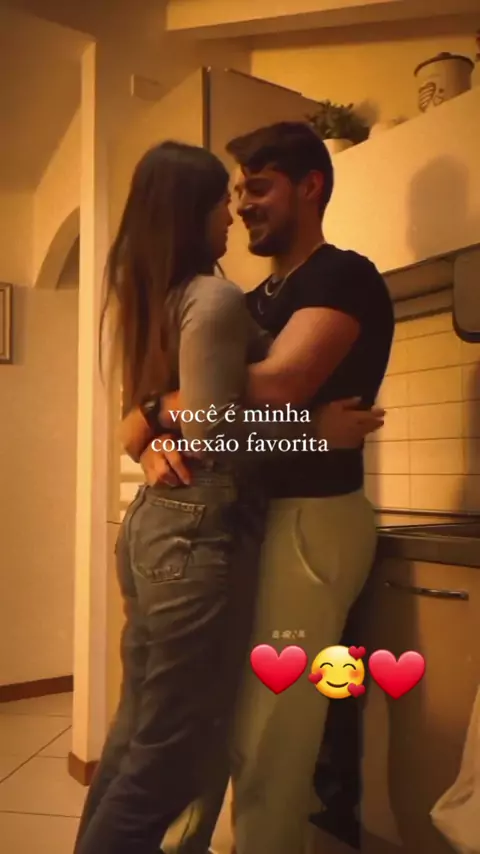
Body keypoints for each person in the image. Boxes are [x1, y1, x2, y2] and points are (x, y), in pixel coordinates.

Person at [74, 138, 384, 854]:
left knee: (263, 738)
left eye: (258, 188)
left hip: (304, 521)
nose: (241, 206)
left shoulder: (343, 276)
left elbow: (272, 388)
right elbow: (170, 414)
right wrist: (156, 419)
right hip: (223, 522)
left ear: (311, 186)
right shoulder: (232, 300)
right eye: (232, 193)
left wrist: (163, 408)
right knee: (189, 738)